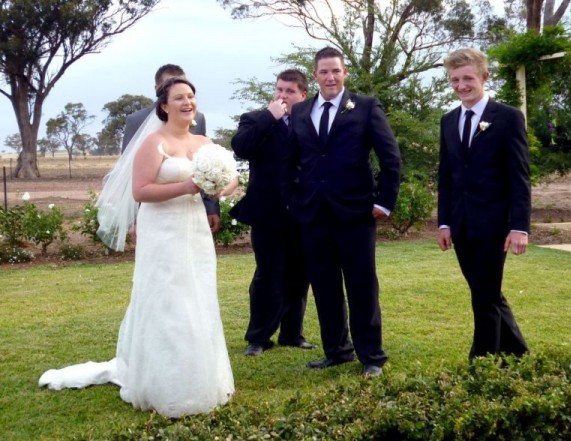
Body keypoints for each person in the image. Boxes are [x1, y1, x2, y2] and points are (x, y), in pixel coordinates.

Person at [39, 77, 237, 418]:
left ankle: (203, 377)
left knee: (198, 296)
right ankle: (167, 384)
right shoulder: (153, 143)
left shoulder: (205, 142)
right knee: (169, 299)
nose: (187, 102)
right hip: (162, 229)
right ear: (164, 105)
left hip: (194, 229)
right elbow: (141, 191)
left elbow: (231, 176)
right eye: (179, 97)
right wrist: (187, 186)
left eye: (191, 96)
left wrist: (221, 187)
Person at [283, 47, 401, 377]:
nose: (330, 77)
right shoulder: (301, 110)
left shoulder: (365, 107)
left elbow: (390, 157)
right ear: (315, 75)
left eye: (335, 71)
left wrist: (384, 201)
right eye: (324, 72)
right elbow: (289, 161)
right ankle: (337, 351)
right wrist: (292, 200)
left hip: (356, 214)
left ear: (344, 72)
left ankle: (372, 356)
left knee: (362, 286)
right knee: (325, 286)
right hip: (313, 215)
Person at [437, 48, 530, 361]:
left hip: (494, 224)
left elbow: (519, 176)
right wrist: (444, 222)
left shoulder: (507, 118)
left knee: (484, 296)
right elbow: (446, 176)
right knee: (485, 290)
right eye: (455, 80)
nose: (461, 85)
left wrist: (519, 227)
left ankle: (482, 361)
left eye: (468, 78)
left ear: (484, 77)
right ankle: (517, 351)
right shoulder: (448, 121)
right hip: (461, 224)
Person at [230, 69, 317, 357]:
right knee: (267, 275)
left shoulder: (312, 121)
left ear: (303, 95)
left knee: (299, 276)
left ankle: (292, 334)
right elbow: (241, 148)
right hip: (267, 212)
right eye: (279, 89)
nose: (283, 95)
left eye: (290, 91)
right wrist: (270, 117)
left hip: (303, 211)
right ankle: (258, 337)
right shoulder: (255, 119)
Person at [123, 63, 220, 234]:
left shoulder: (198, 119)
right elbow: (130, 174)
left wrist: (212, 205)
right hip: (158, 218)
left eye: (189, 94)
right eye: (170, 86)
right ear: (158, 90)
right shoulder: (137, 121)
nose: (185, 101)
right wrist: (135, 219)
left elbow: (208, 167)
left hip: (194, 214)